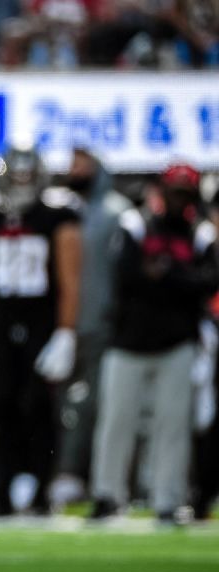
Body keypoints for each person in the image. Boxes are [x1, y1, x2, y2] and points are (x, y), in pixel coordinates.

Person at [90, 163, 218, 523]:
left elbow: (209, 282)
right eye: (174, 192)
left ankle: (167, 499)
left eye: (185, 193)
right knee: (116, 421)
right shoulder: (136, 224)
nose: (178, 200)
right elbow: (125, 275)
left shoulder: (200, 233)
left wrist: (167, 274)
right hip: (129, 339)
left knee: (173, 425)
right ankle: (107, 494)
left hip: (177, 342)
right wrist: (176, 280)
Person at [0, 146, 82, 515]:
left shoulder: (57, 213)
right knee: (1, 404)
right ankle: (1, 489)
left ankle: (41, 488)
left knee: (39, 405)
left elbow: (70, 278)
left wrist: (66, 331)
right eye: (18, 174)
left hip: (40, 319)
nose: (22, 183)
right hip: (0, 318)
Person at [51, 148, 132, 501]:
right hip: (62, 326)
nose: (74, 170)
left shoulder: (117, 213)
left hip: (101, 324)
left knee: (97, 406)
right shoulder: (61, 209)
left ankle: (84, 477)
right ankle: (59, 475)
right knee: (59, 407)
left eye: (81, 164)